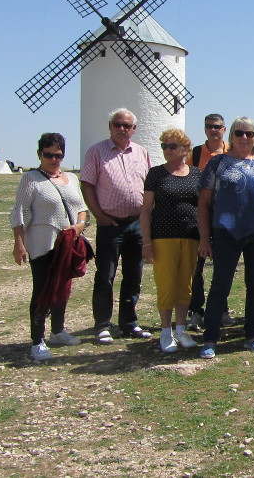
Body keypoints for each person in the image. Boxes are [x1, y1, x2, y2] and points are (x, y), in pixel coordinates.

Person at [197, 117, 254, 358]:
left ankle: (252, 333)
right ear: (231, 136)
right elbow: (204, 202)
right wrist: (204, 237)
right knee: (221, 285)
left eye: (249, 134)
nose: (244, 138)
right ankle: (210, 337)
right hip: (226, 231)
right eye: (239, 133)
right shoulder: (218, 164)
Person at [11, 133, 90, 360]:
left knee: (62, 287)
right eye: (49, 155)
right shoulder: (31, 179)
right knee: (43, 289)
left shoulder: (71, 179)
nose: (54, 160)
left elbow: (81, 206)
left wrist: (80, 225)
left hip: (67, 244)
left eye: (58, 155)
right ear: (39, 154)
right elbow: (19, 211)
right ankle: (37, 341)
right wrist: (19, 244)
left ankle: (58, 331)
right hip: (42, 244)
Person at [81, 108, 152, 344]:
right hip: (110, 224)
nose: (122, 129)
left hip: (136, 223)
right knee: (106, 275)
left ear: (134, 129)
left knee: (134, 275)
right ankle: (102, 324)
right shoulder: (96, 152)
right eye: (117, 124)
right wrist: (99, 216)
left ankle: (129, 322)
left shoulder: (142, 153)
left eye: (127, 125)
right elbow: (87, 185)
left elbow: (148, 186)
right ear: (110, 126)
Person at [141, 129, 201, 353]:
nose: (168, 150)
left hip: (190, 236)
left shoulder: (196, 174)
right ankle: (166, 332)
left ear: (185, 149)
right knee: (166, 284)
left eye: (173, 146)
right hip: (163, 237)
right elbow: (146, 209)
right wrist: (146, 241)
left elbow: (202, 207)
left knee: (185, 284)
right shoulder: (156, 174)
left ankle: (181, 329)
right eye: (165, 146)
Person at [186, 114, 231, 331]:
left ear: (224, 129)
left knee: (223, 265)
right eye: (209, 127)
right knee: (197, 267)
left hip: (223, 217)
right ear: (204, 130)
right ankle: (196, 310)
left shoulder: (232, 151)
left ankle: (222, 309)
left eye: (217, 127)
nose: (213, 130)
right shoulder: (195, 154)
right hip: (199, 215)